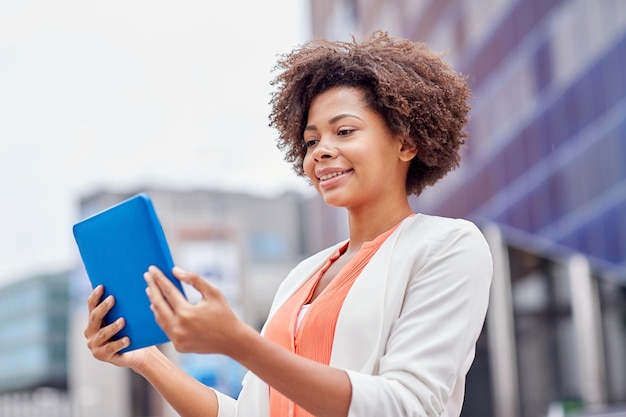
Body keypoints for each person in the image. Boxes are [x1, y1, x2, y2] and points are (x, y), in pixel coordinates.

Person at [84, 30, 493, 417]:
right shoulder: (300, 277)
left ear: (406, 142)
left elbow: (406, 406)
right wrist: (147, 359)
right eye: (312, 141)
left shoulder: (448, 245)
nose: (321, 152)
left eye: (345, 131)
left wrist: (239, 342)